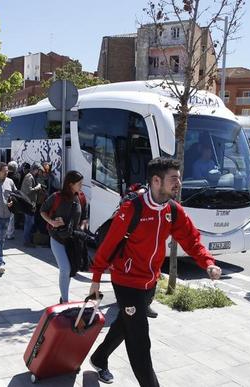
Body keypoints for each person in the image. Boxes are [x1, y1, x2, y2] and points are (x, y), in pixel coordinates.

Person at [87, 157, 222, 386]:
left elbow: (191, 240)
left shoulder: (172, 210)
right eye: (173, 179)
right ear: (156, 181)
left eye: (179, 178)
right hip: (126, 282)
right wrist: (96, 279)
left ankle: (99, 358)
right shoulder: (132, 209)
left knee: (125, 323)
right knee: (139, 339)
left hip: (150, 281)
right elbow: (108, 245)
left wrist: (207, 262)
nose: (178, 183)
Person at [40, 171, 88, 303]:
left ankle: (64, 295)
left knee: (71, 269)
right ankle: (65, 300)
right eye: (79, 184)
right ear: (70, 184)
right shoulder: (56, 197)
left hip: (73, 240)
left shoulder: (81, 197)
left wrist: (81, 229)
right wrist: (51, 222)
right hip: (57, 238)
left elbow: (84, 218)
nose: (81, 186)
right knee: (65, 268)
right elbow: (42, 211)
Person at [20, 163, 44, 247]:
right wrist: (37, 187)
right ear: (36, 169)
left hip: (30, 203)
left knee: (30, 222)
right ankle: (27, 241)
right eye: (39, 171)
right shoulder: (29, 177)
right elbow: (28, 191)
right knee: (29, 223)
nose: (39, 173)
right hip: (28, 204)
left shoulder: (30, 177)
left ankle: (28, 240)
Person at [5, 161, 21, 240]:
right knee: (11, 217)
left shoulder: (5, 175)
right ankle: (9, 234)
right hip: (13, 198)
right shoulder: (16, 176)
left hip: (4, 197)